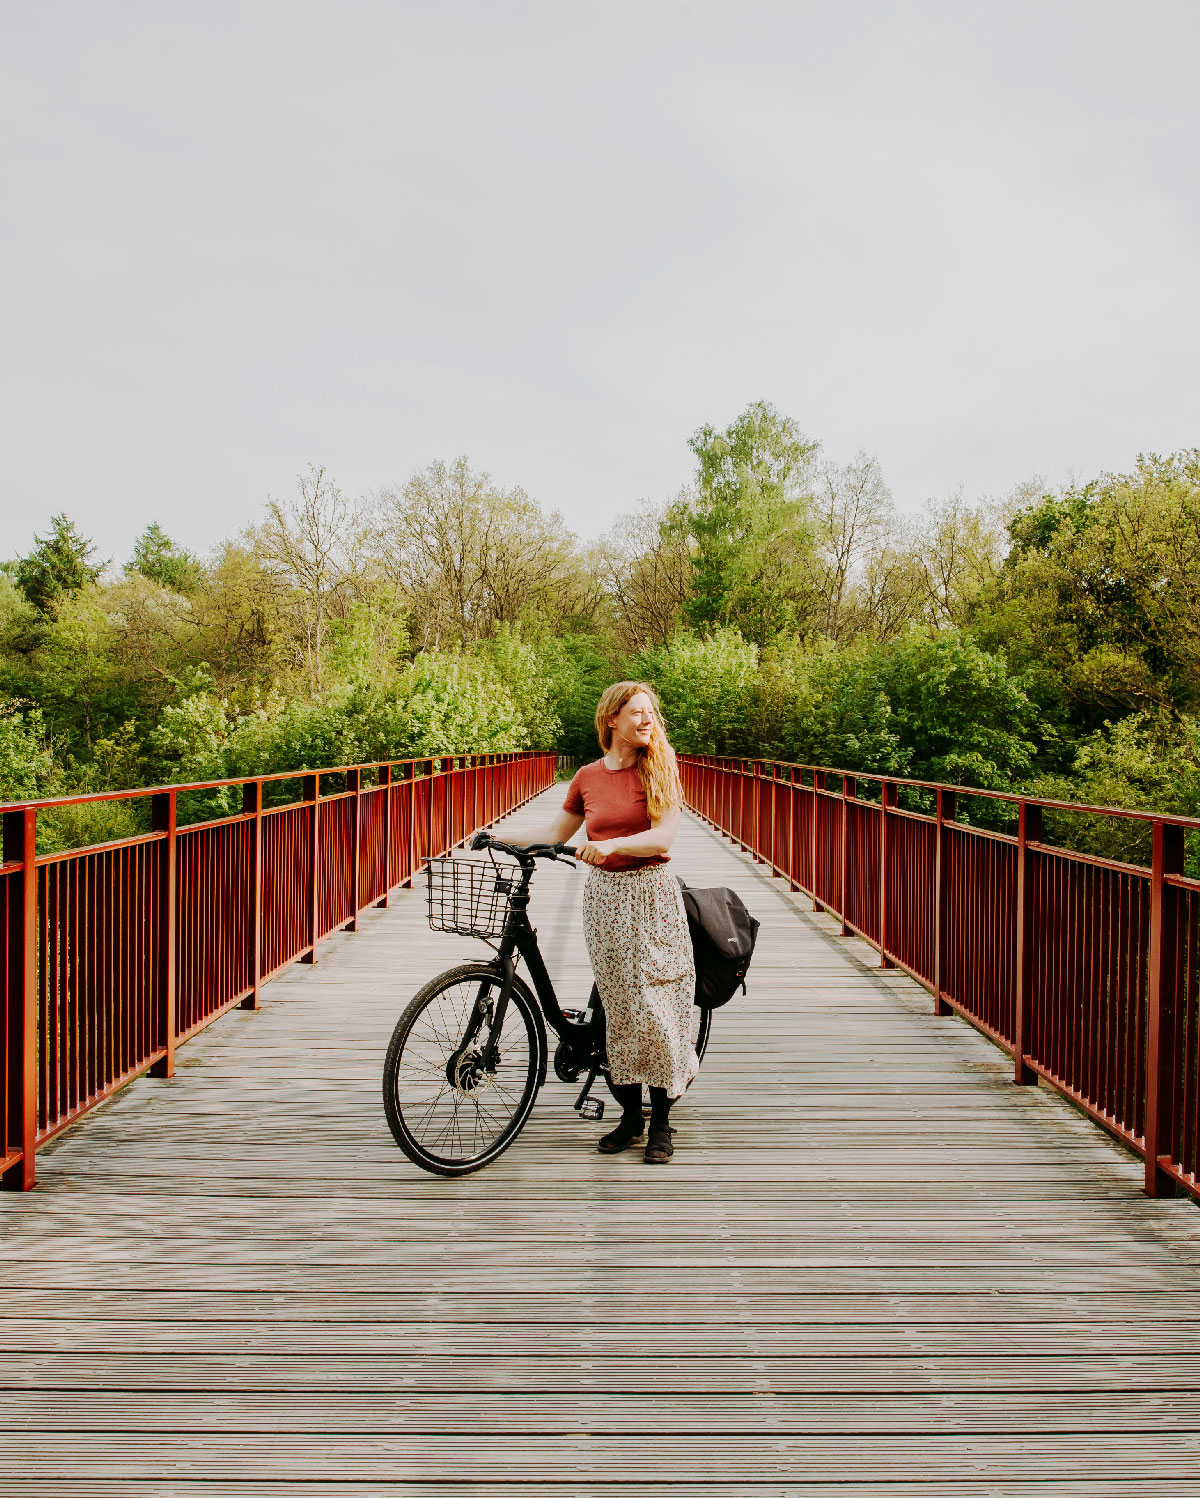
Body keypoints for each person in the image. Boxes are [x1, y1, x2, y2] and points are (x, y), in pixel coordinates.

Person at [517, 681, 697, 1164]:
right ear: (610, 719)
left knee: (655, 1005)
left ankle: (661, 1121)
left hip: (650, 895)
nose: (647, 721)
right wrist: (497, 837)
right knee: (619, 1008)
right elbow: (556, 833)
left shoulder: (660, 767)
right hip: (604, 900)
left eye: (650, 713)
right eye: (636, 713)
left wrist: (614, 845)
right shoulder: (588, 776)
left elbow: (663, 836)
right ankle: (630, 1116)